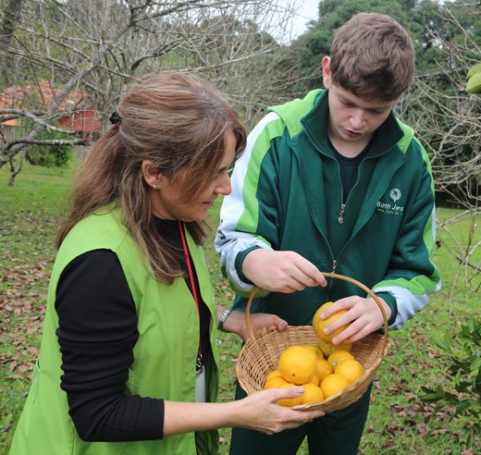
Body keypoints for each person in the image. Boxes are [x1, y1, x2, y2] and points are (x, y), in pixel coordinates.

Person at [9, 72, 323, 455]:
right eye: (213, 172)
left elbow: (152, 307)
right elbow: (97, 413)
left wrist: (228, 319)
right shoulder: (99, 264)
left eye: (227, 169)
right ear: (154, 172)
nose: (225, 187)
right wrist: (236, 413)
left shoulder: (170, 217)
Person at [215, 12, 442, 455]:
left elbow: (418, 270)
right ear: (326, 71)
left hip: (350, 364)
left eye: (375, 111)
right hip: (273, 360)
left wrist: (385, 305)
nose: (357, 120)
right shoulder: (278, 135)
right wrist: (254, 261)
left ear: (397, 99)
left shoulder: (410, 160)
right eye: (347, 102)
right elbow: (234, 237)